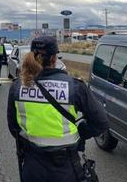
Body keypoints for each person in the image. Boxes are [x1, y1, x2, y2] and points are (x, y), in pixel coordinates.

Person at [7, 36, 109, 182]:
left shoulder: (17, 87)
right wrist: (80, 132)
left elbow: (14, 128)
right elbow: (101, 122)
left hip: (32, 168)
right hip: (65, 168)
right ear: (54, 58)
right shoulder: (75, 87)